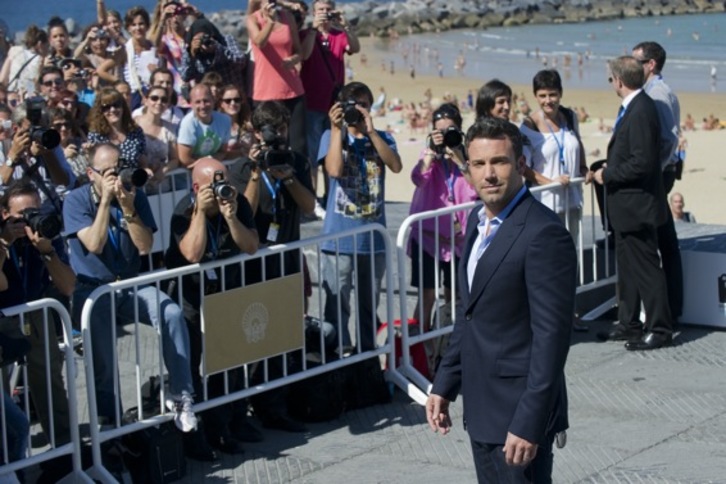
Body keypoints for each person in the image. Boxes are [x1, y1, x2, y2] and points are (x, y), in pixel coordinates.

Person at [426, 117, 576, 483]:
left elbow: (552, 339)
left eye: (499, 162)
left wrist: (530, 420)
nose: (489, 174)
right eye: (479, 164)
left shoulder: (544, 233)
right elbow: (470, 314)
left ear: (521, 164)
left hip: (518, 417)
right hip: (481, 408)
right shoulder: (477, 223)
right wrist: (445, 382)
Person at [62, 143, 198, 430]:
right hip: (93, 289)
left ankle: (181, 395)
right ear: (91, 174)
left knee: (171, 313)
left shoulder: (134, 195)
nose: (116, 177)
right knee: (104, 363)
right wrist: (104, 203)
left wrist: (128, 208)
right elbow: (94, 243)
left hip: (129, 283)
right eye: (108, 172)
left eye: (119, 168)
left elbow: (145, 246)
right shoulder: (75, 200)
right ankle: (110, 424)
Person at [164, 157, 258, 455]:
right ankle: (196, 433)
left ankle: (227, 424)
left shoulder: (237, 202)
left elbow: (251, 246)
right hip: (190, 294)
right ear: (197, 188)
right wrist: (201, 214)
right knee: (191, 365)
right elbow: (192, 254)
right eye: (214, 185)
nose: (222, 189)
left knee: (229, 359)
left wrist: (231, 218)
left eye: (225, 182)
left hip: (226, 290)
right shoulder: (184, 209)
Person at [592, 56, 673, 351]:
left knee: (647, 269)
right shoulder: (634, 107)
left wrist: (607, 174)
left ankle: (660, 329)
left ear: (619, 81)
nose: (611, 83)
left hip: (637, 207)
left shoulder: (640, 110)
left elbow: (642, 163)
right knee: (627, 268)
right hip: (626, 209)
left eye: (611, 79)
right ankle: (628, 323)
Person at [318, 81, 402, 351]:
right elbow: (334, 170)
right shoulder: (331, 136)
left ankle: (366, 356)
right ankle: (339, 353)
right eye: (353, 106)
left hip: (372, 239)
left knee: (369, 304)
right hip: (338, 238)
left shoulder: (383, 137)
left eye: (364, 105)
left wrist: (371, 132)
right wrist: (336, 129)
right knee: (337, 304)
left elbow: (396, 165)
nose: (358, 111)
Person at [0, 179, 74, 456]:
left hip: (35, 309)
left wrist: (47, 251)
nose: (29, 220)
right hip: (2, 316)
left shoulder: (45, 234)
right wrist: (4, 242)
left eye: (35, 212)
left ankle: (66, 450)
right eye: (22, 215)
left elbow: (68, 286)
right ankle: (8, 457)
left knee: (49, 379)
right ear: (5, 215)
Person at [407, 103, 477, 327]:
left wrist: (460, 161)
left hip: (458, 240)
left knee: (454, 296)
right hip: (427, 237)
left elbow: (477, 187)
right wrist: (430, 153)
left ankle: (448, 339)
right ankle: (421, 342)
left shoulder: (466, 156)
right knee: (427, 296)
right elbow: (418, 179)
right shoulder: (430, 155)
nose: (446, 136)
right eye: (440, 132)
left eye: (450, 131)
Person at [632, 41, 683, 324]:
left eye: (635, 62)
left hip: (659, 174)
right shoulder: (653, 91)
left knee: (659, 241)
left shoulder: (658, 92)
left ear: (650, 65)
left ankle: (664, 311)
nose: (630, 67)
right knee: (664, 238)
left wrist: (654, 170)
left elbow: (669, 138)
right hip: (661, 172)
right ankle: (670, 309)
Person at [299, 0, 361, 214]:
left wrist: (346, 26)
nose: (325, 13)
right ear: (314, 12)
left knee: (333, 151)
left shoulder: (339, 35)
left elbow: (355, 48)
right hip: (312, 103)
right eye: (321, 10)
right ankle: (313, 200)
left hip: (334, 103)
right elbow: (304, 55)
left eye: (328, 10)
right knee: (313, 154)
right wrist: (314, 30)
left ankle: (331, 195)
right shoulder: (306, 34)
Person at [520, 69, 587, 243]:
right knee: (549, 250)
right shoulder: (529, 125)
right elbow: (523, 167)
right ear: (535, 96)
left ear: (560, 93)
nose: (548, 100)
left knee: (571, 249)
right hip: (545, 203)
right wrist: (551, 183)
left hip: (573, 200)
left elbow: (578, 142)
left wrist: (584, 168)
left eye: (552, 95)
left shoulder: (570, 116)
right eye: (542, 96)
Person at [247, 0, 306, 156]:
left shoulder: (288, 17)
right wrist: (270, 22)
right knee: (270, 143)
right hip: (265, 92)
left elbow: (299, 51)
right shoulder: (253, 19)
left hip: (292, 90)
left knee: (298, 146)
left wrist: (293, 59)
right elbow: (259, 42)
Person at [97, 6, 159, 110]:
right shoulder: (126, 50)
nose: (138, 28)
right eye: (133, 25)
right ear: (128, 28)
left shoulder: (153, 47)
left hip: (153, 94)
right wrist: (119, 82)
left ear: (147, 26)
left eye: (141, 24)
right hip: (134, 95)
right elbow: (101, 70)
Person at [179, 17, 246, 91]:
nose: (203, 42)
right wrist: (192, 55)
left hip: (230, 91)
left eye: (205, 37)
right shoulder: (189, 50)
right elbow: (185, 77)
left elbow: (241, 61)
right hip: (208, 95)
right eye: (198, 39)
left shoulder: (226, 41)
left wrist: (218, 49)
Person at [87, 87, 147, 169]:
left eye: (116, 105)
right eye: (106, 107)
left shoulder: (135, 131)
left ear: (123, 107)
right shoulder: (95, 135)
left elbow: (143, 162)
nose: (112, 110)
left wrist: (146, 170)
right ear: (101, 111)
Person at [133, 86, 179, 191]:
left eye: (164, 99)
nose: (159, 102)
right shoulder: (133, 124)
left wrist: (163, 170)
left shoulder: (170, 128)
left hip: (161, 186)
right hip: (139, 185)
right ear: (145, 100)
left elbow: (174, 159)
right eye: (154, 98)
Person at [177, 84, 231, 168]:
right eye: (198, 102)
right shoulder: (188, 123)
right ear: (191, 104)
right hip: (192, 171)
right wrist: (205, 166)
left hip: (214, 166)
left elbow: (222, 152)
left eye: (206, 101)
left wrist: (210, 162)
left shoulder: (225, 120)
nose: (203, 106)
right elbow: (185, 159)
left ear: (213, 100)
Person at [0, 25, 48, 94]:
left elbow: (2, 79)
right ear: (40, 44)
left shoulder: (15, 51)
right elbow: (31, 88)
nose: (48, 49)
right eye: (47, 45)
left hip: (10, 95)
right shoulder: (40, 61)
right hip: (25, 96)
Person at [218, 84, 254, 159]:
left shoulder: (249, 125)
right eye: (228, 101)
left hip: (246, 164)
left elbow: (254, 147)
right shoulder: (216, 125)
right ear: (221, 103)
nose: (233, 103)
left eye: (237, 100)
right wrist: (240, 152)